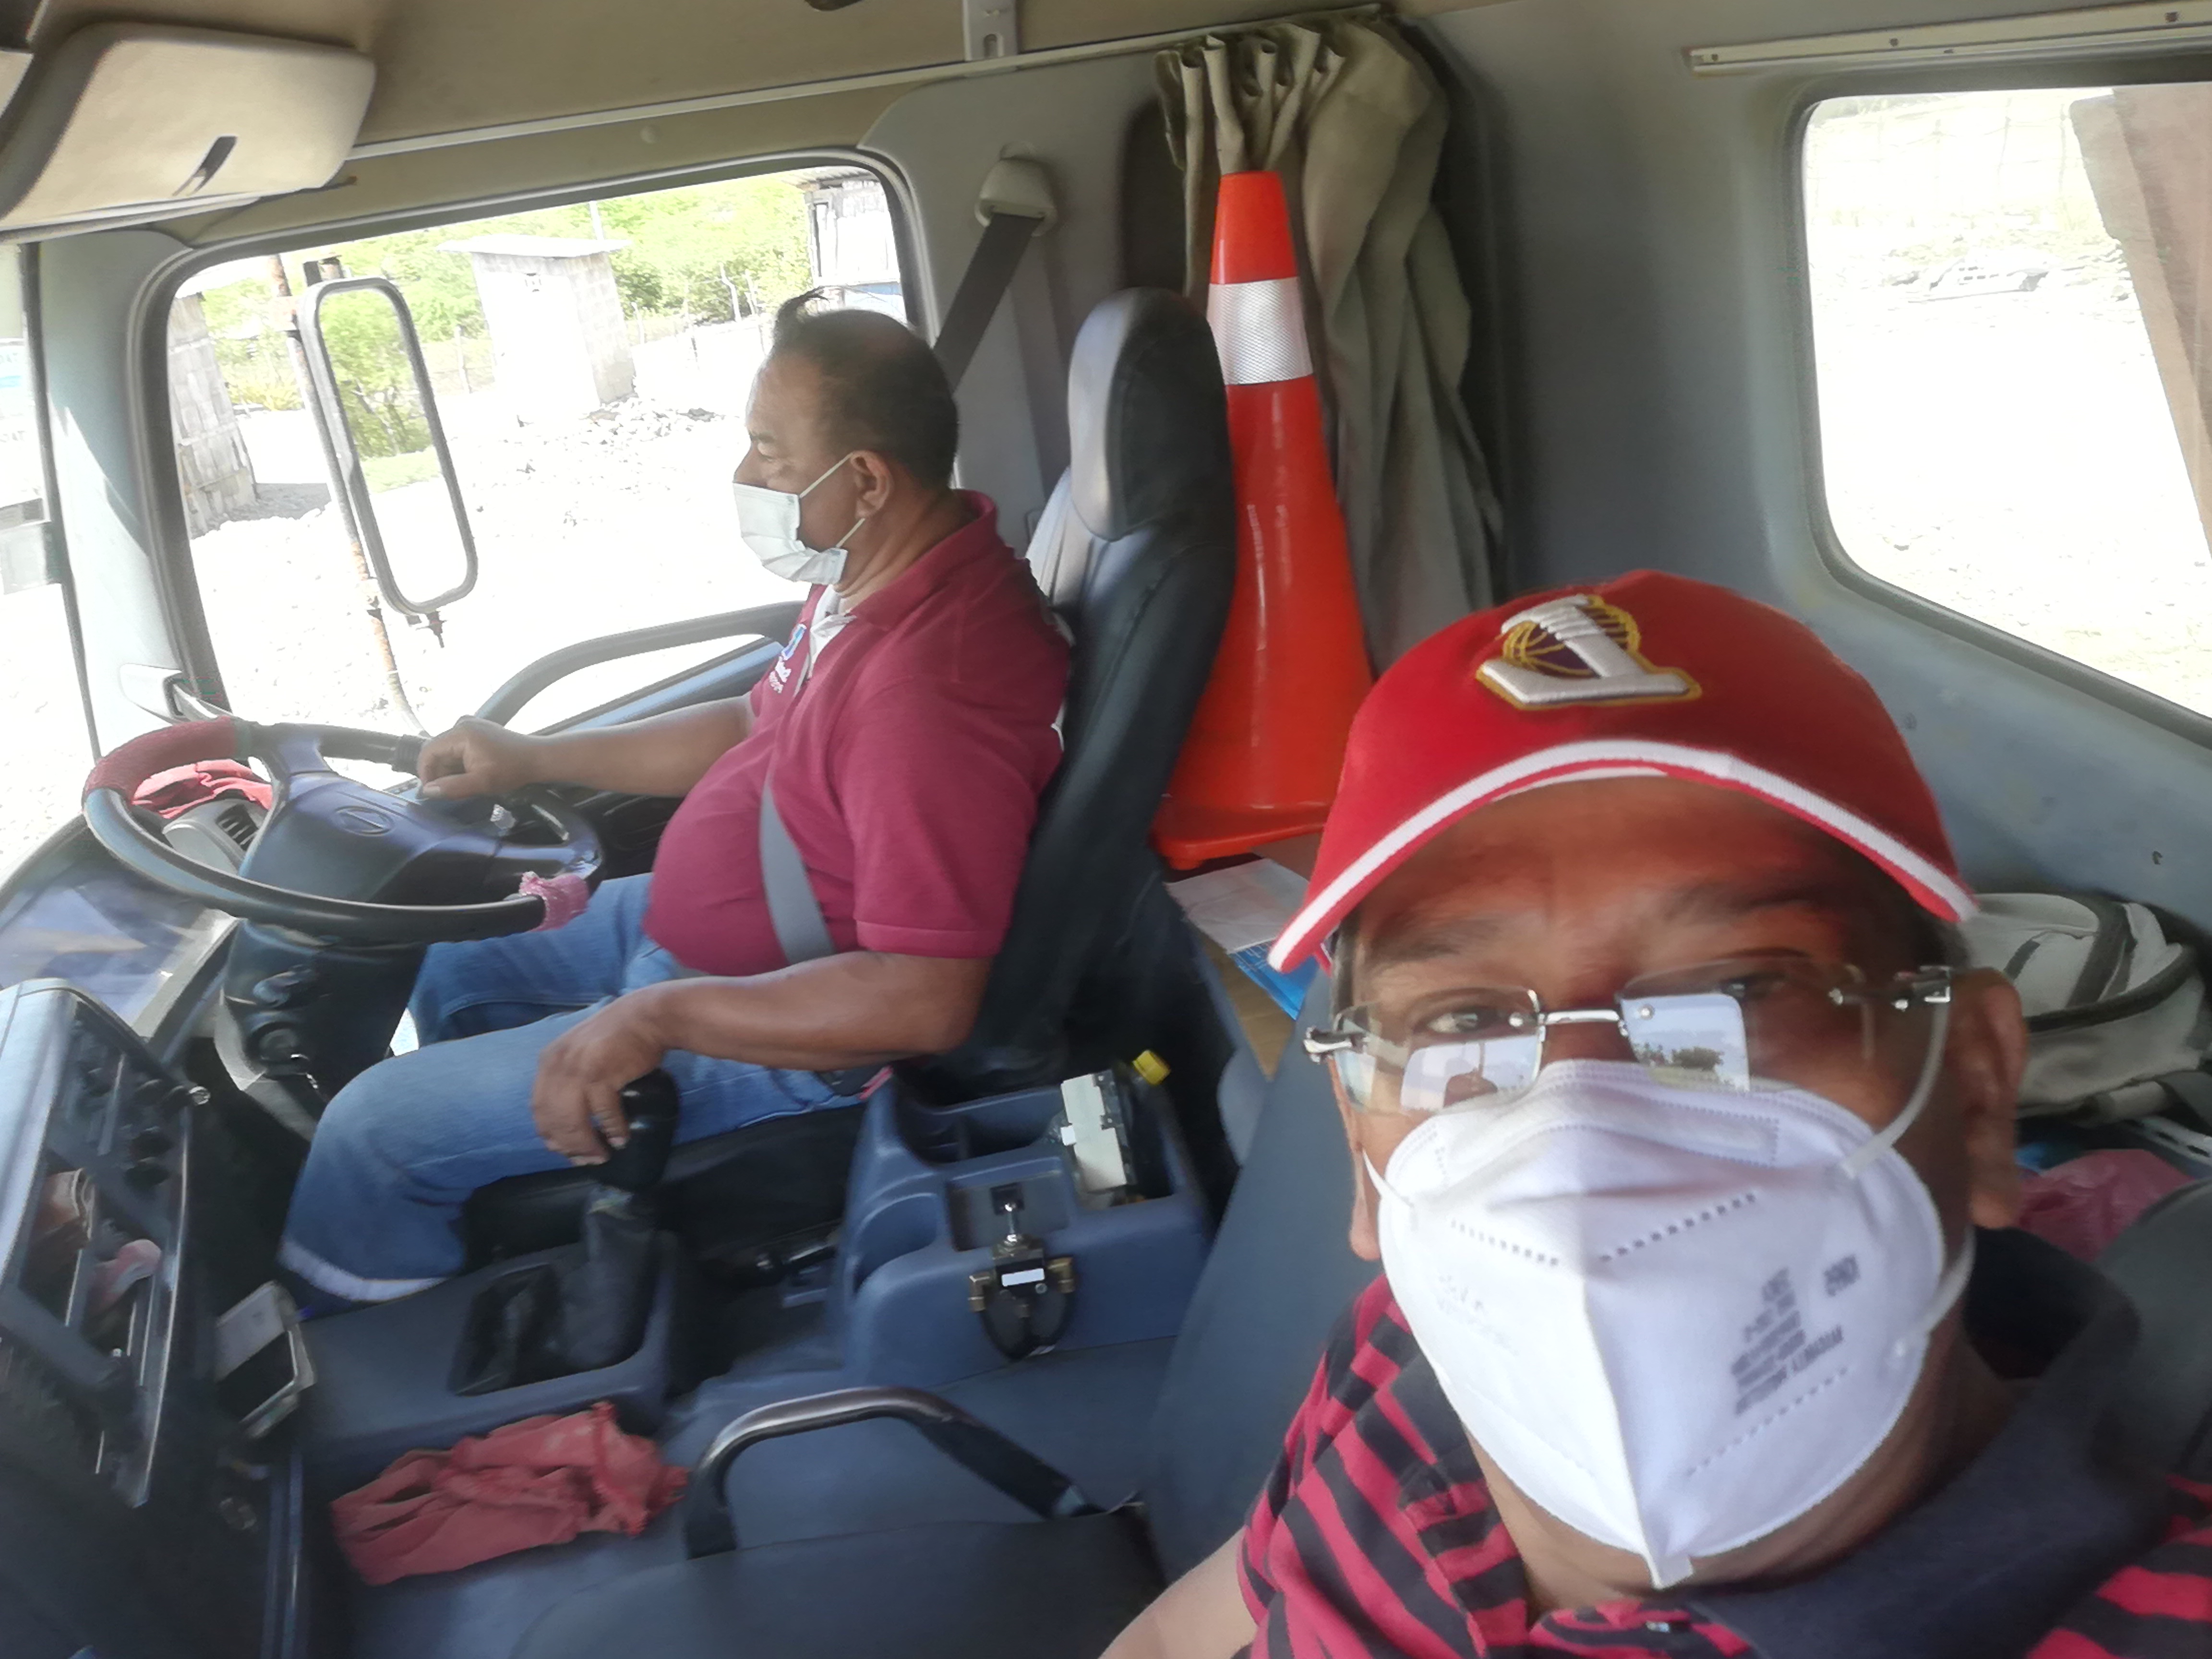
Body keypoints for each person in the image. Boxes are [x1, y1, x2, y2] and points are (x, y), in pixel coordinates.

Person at [1106, 571, 2212, 1657]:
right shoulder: (1400, 1358)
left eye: (1736, 992)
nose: (1579, 1143)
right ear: (1363, 1149)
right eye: (1466, 1020)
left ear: (1973, 1086)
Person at [278, 295, 1069, 1306]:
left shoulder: (930, 691)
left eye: (769, 452)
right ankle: (503, 1185)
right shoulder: (877, 573)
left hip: (799, 1029)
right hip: (697, 943)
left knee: (371, 1131)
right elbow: (750, 722)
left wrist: (658, 1017)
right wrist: (535, 758)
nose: (747, 474)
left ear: (867, 479)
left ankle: (373, 1325)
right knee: (461, 954)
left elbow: (925, 998)